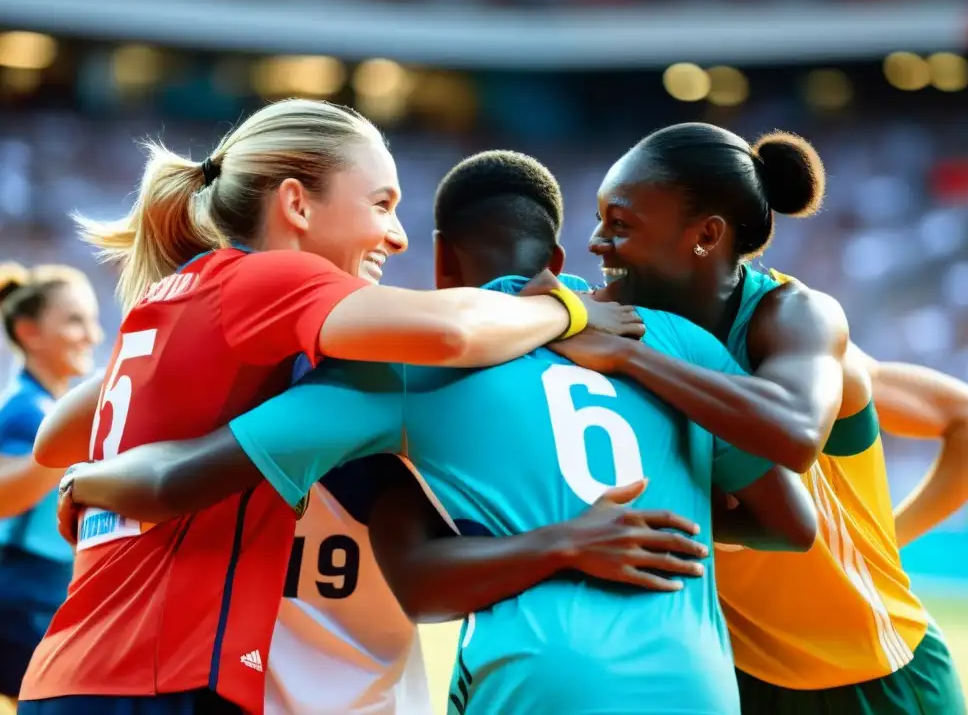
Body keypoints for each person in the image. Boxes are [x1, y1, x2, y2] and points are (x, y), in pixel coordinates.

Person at [52, 149, 818, 715]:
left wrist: (85, 482)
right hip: (699, 683)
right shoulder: (680, 342)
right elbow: (791, 524)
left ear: (442, 262)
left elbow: (182, 477)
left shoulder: (401, 367)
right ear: (555, 256)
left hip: (539, 676)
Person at [18, 100, 638, 715]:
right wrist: (565, 310)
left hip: (71, 667)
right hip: (160, 676)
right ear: (296, 204)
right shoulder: (265, 281)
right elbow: (454, 331)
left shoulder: (177, 299)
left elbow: (55, 439)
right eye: (381, 204)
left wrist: (94, 474)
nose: (397, 236)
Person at [547, 122, 968, 714]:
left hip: (873, 674)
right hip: (738, 675)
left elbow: (796, 433)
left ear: (706, 235)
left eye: (620, 224)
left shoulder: (797, 318)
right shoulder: (628, 320)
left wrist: (893, 538)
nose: (597, 241)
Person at [0, 262, 102, 707]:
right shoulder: (26, 411)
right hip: (21, 597)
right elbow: (6, 497)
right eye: (75, 320)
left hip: (46, 593)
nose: (93, 336)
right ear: (29, 332)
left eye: (93, 320)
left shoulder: (50, 407)